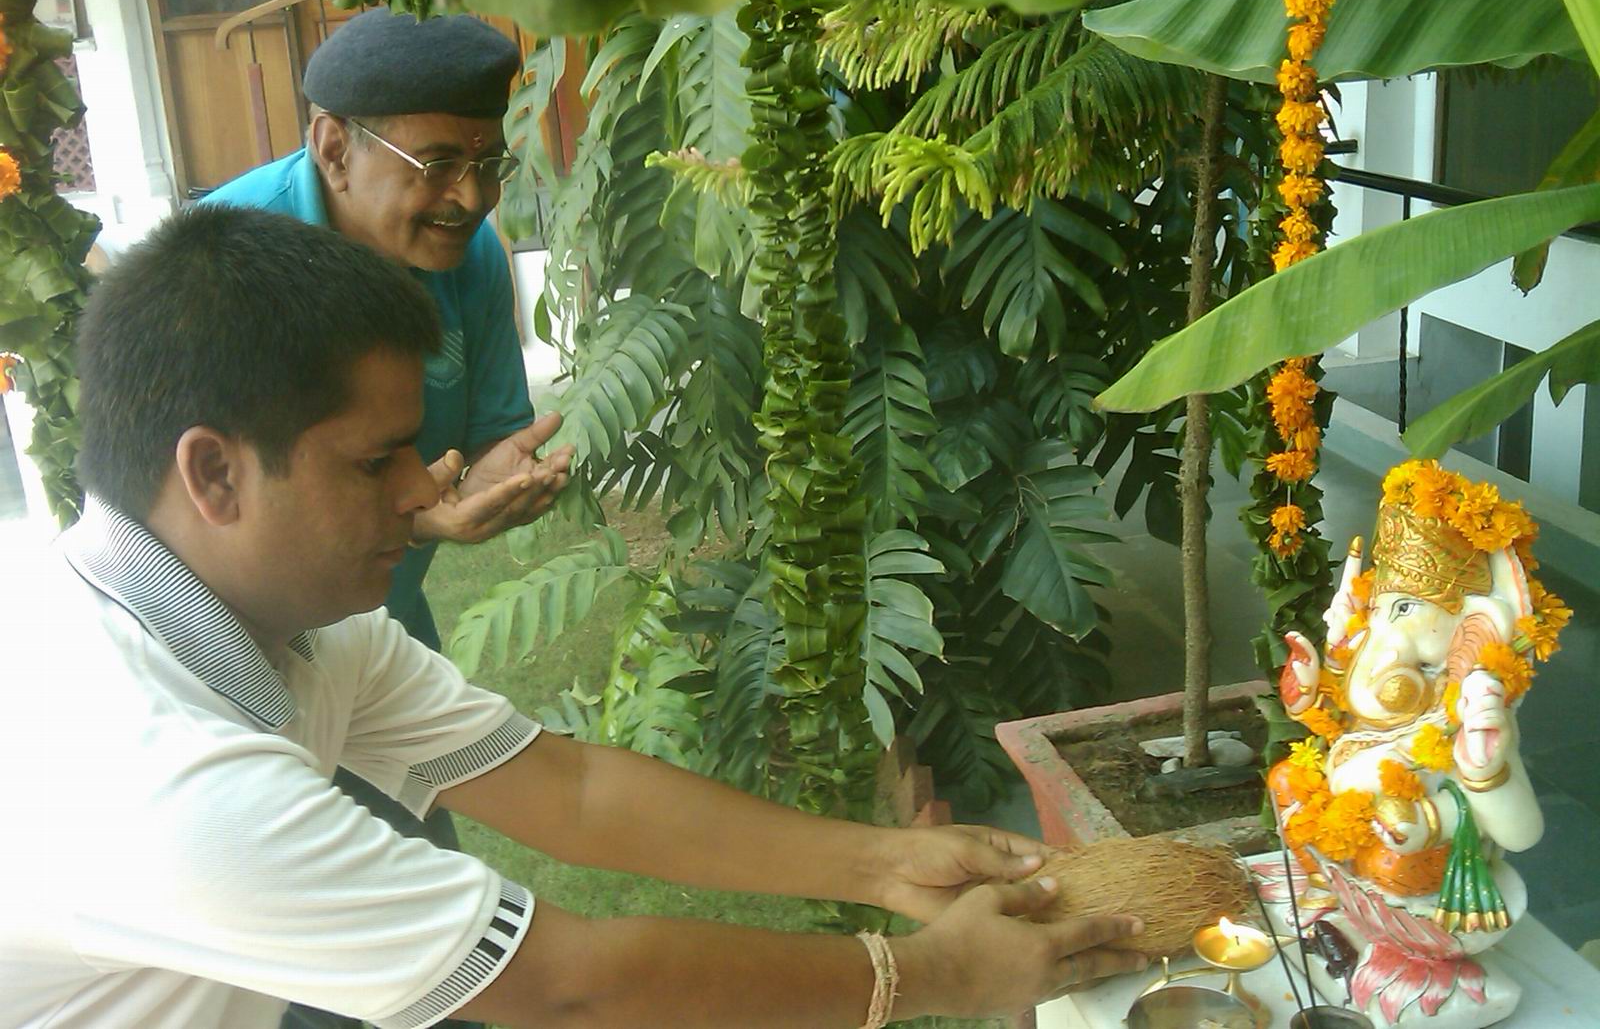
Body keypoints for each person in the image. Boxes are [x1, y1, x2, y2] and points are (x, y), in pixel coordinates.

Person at [0, 205, 1147, 1029]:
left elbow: (568, 788)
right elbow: (566, 986)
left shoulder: (293, 628)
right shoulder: (158, 777)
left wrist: (885, 861)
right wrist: (928, 974)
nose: (422, 489)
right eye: (373, 460)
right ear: (214, 477)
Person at [203, 14, 571, 1014]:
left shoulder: (472, 254)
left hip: (372, 625)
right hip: (229, 662)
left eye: (489, 163)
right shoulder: (224, 268)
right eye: (440, 162)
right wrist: (416, 520)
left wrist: (494, 479)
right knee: (292, 952)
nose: (471, 197)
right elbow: (209, 530)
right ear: (332, 146)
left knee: (417, 901)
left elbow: (490, 432)